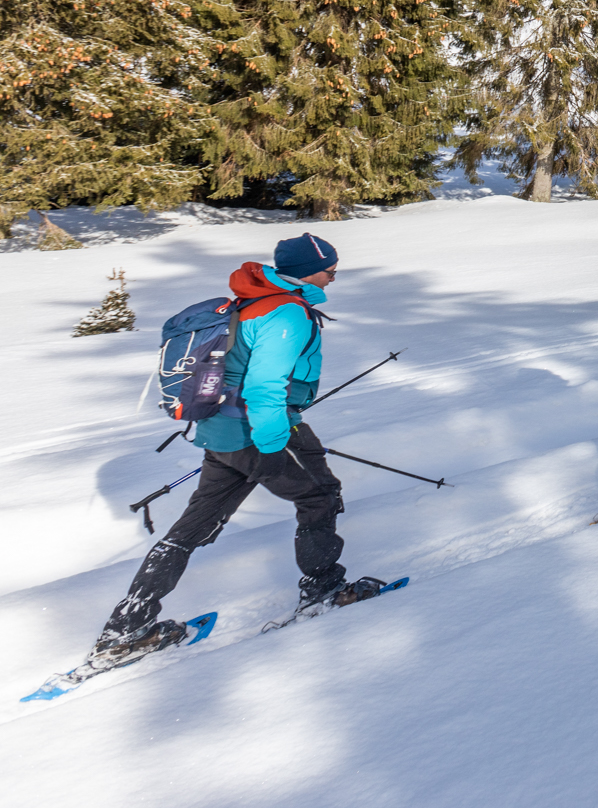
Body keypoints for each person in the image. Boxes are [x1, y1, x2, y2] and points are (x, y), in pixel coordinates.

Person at [89, 234, 385, 666]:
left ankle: (125, 630)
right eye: (330, 269)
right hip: (256, 430)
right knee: (319, 496)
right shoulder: (287, 311)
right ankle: (324, 591)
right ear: (308, 272)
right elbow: (265, 385)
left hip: (220, 430)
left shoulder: (254, 299)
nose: (334, 276)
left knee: (190, 528)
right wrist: (273, 443)